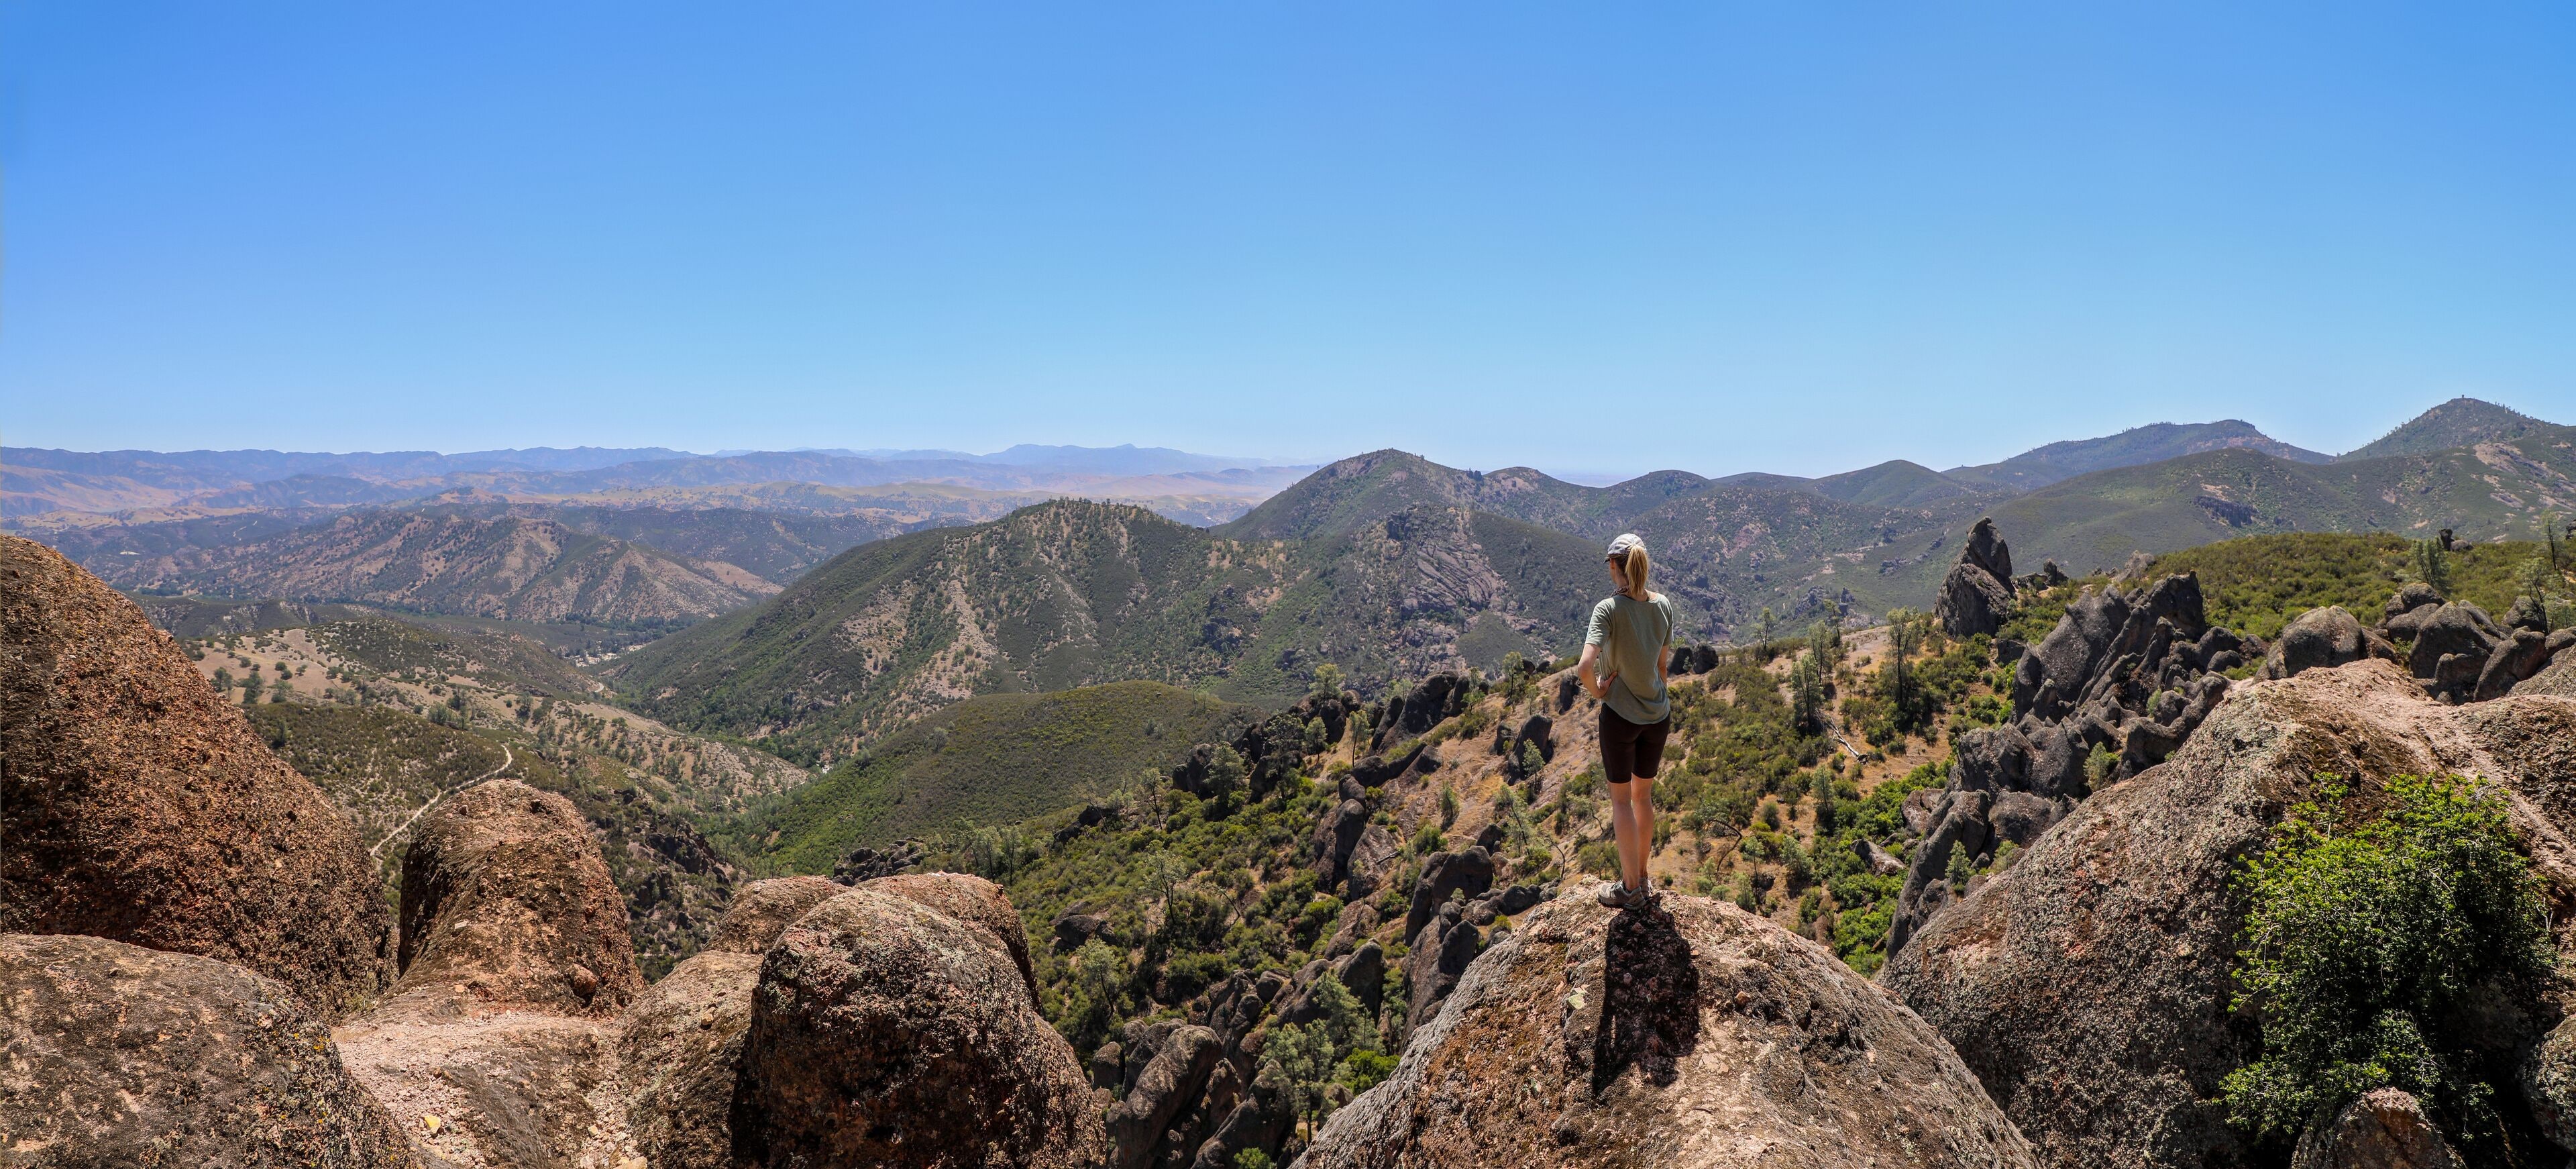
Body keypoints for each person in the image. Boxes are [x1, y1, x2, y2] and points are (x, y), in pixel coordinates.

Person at [1578, 533, 1677, 909]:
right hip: (1658, 716)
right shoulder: (1664, 605)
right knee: (1644, 797)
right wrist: (1654, 696)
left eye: (1609, 565)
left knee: (1621, 802)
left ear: (1616, 566)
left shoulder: (1608, 610)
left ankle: (1630, 890)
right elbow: (1662, 666)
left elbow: (1585, 666)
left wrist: (1600, 691)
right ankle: (1643, 876)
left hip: (1620, 718)